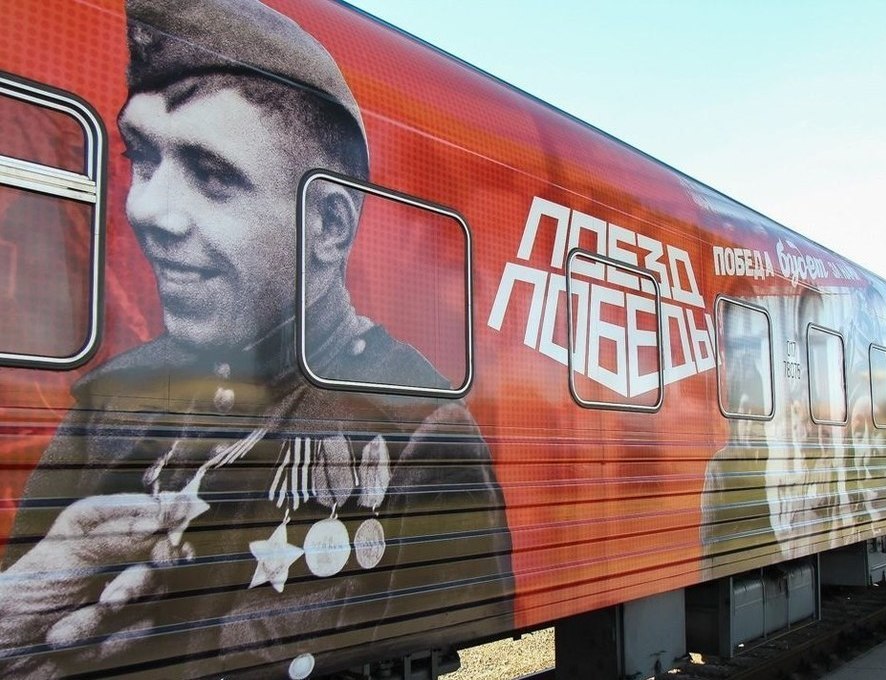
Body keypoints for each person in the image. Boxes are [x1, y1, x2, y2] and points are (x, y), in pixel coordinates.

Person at [0, 0, 513, 676]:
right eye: (143, 157)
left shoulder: (416, 427)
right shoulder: (111, 404)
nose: (148, 209)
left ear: (327, 225)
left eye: (213, 176)